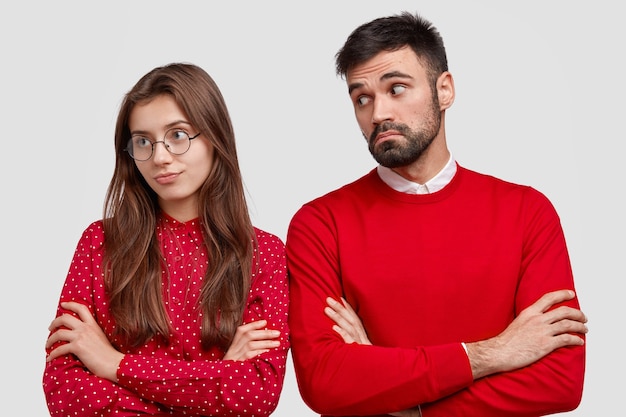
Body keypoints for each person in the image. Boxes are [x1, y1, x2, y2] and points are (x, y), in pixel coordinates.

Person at [286, 12, 587, 417]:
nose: (377, 114)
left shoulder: (528, 212)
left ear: (444, 90)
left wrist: (407, 405)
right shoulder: (320, 224)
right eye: (362, 98)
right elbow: (325, 381)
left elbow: (559, 382)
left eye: (396, 89)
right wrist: (491, 354)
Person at [43, 63, 289, 416]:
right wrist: (216, 377)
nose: (159, 157)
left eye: (178, 135)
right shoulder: (100, 242)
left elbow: (255, 396)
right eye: (143, 141)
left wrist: (115, 365)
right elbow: (66, 392)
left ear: (215, 136)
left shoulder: (264, 253)